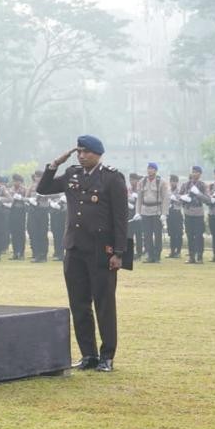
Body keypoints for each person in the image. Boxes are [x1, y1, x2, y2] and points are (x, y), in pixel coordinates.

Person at [37, 135, 126, 373]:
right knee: (79, 304)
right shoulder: (71, 174)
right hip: (75, 248)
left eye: (86, 152)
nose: (81, 155)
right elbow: (43, 189)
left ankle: (107, 356)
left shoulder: (112, 177)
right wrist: (55, 164)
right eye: (79, 152)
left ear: (98, 153)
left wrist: (120, 253)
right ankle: (89, 355)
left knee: (104, 304)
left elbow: (120, 218)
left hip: (101, 251)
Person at [135, 163, 168, 263]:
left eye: (152, 169)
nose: (149, 170)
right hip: (145, 211)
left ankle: (157, 256)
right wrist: (137, 212)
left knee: (157, 234)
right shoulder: (142, 181)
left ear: (156, 170)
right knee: (147, 235)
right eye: (148, 168)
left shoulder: (161, 182)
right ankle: (150, 255)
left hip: (156, 211)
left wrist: (164, 213)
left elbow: (165, 198)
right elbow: (139, 198)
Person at [176, 166, 208, 264]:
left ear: (200, 174)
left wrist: (198, 193)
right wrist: (183, 197)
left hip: (198, 213)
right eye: (193, 172)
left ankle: (200, 256)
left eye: (197, 172)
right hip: (188, 212)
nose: (194, 174)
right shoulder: (186, 185)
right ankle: (191, 256)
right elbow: (178, 196)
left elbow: (207, 199)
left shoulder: (202, 185)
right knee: (189, 235)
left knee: (198, 235)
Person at [26, 171, 51, 262]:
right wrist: (30, 200)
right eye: (37, 177)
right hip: (33, 210)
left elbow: (54, 195)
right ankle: (36, 254)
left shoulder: (47, 185)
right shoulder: (32, 186)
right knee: (33, 232)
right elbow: (26, 197)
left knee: (42, 233)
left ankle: (43, 255)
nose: (38, 178)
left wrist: (45, 194)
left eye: (40, 177)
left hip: (43, 210)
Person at [8, 173, 29, 260]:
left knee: (20, 232)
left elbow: (28, 199)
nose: (15, 183)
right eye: (14, 181)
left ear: (20, 182)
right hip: (12, 211)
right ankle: (15, 252)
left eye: (17, 181)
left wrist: (21, 198)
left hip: (21, 211)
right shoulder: (11, 189)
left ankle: (21, 253)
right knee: (14, 232)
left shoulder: (24, 189)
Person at [166, 174, 184, 258]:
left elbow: (182, 202)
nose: (172, 183)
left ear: (177, 182)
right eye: (171, 181)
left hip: (177, 212)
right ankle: (172, 251)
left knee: (178, 233)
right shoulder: (168, 191)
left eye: (174, 181)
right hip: (170, 213)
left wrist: (175, 199)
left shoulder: (180, 191)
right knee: (171, 233)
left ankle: (178, 251)